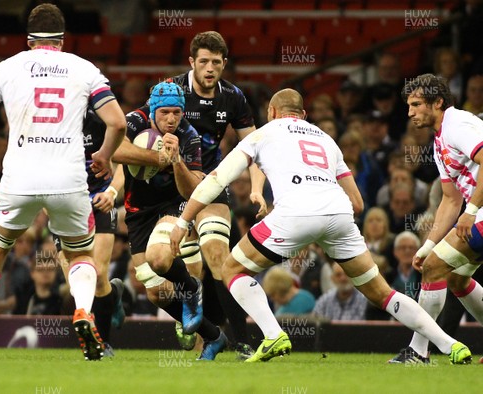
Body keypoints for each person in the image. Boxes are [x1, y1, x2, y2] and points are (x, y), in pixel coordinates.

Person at [170, 88, 472, 364]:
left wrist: (184, 221)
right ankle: (450, 345)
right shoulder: (326, 139)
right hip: (339, 214)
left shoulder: (263, 133)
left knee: (232, 269)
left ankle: (273, 335)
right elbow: (358, 203)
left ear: (272, 112)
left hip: (294, 214)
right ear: (303, 115)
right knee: (381, 292)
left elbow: (216, 179)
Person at [0, 3, 126, 360]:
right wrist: (102, 154)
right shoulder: (84, 69)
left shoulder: (7, 68)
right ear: (62, 39)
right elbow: (117, 123)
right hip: (69, 180)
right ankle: (83, 311)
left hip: (19, 180)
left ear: (28, 39)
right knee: (79, 252)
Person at [117, 31, 264, 358]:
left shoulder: (234, 98)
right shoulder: (171, 94)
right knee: (158, 289)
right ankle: (208, 336)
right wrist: (155, 161)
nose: (209, 68)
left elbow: (255, 148)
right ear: (191, 63)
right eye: (203, 61)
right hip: (166, 189)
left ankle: (243, 341)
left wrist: (257, 188)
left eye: (216, 62)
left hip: (208, 183)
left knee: (216, 255)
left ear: (224, 64)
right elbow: (134, 137)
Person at [113, 81, 227, 360]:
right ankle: (214, 336)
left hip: (172, 205)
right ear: (152, 111)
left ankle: (190, 288)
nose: (171, 119)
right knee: (157, 294)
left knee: (161, 259)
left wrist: (175, 160)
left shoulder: (190, 137)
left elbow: (192, 191)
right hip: (138, 211)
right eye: (164, 112)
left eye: (177, 112)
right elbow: (115, 151)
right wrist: (158, 157)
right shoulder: (133, 121)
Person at [389, 73, 483, 363]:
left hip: (478, 213)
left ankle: (418, 352)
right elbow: (450, 199)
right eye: (409, 105)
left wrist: (470, 213)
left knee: (435, 268)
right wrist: (428, 245)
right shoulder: (439, 140)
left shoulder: (459, 125)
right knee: (454, 276)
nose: (410, 112)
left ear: (438, 102)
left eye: (416, 104)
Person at [52, 107, 127, 355]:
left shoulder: (104, 123)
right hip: (64, 206)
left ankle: (103, 343)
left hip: (99, 201)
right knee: (76, 285)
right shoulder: (51, 127)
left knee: (98, 273)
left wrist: (111, 193)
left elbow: (123, 168)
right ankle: (114, 295)